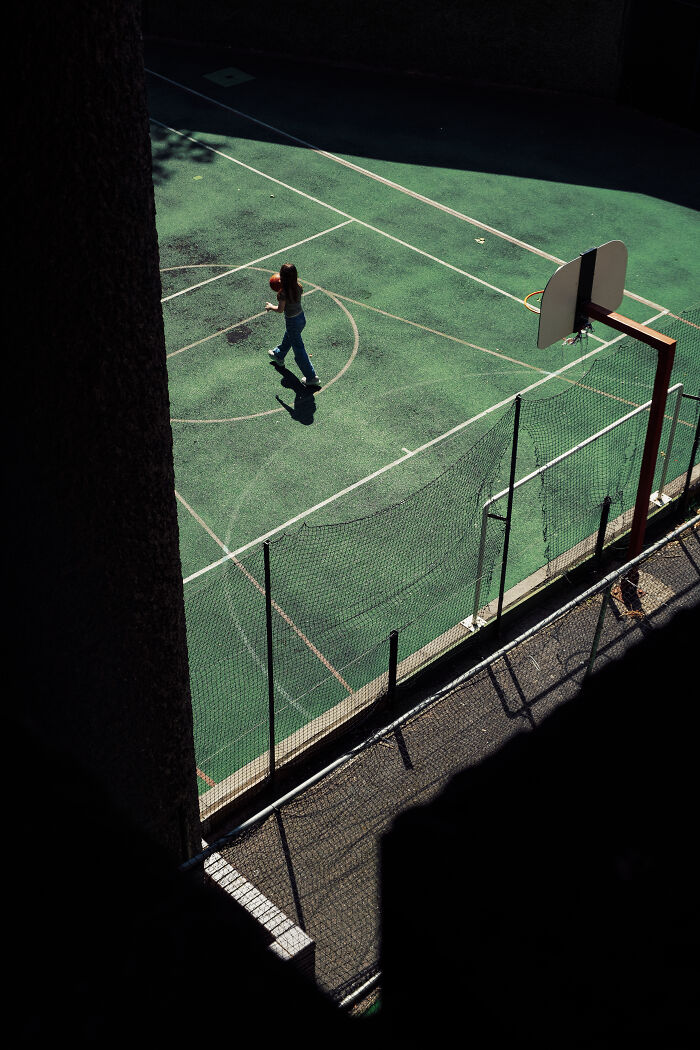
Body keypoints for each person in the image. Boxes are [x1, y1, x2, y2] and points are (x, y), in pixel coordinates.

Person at [265, 263, 320, 391]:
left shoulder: (283, 294)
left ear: (282, 277)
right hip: (301, 318)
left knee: (299, 350)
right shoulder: (298, 287)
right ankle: (279, 355)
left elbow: (280, 309)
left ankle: (311, 377)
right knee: (290, 335)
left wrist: (270, 306)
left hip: (292, 321)